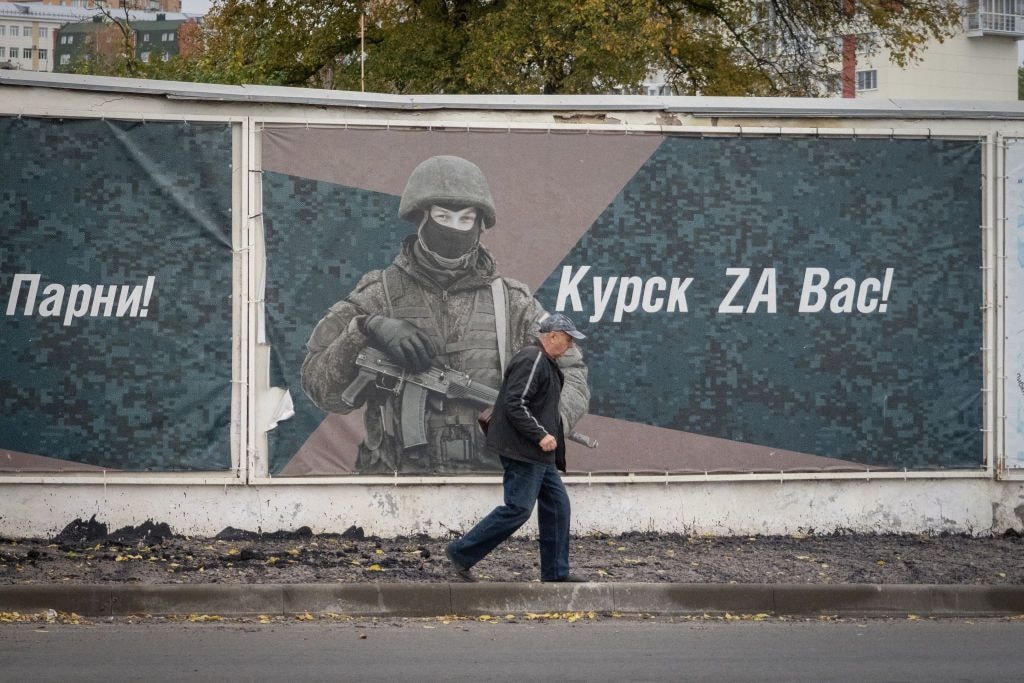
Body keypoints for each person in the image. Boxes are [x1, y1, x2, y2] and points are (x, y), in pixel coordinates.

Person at [300, 155, 589, 474]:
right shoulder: (378, 294)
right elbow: (321, 387)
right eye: (443, 216)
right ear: (421, 217)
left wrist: (548, 421)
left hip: (492, 479)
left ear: (480, 224)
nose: (454, 229)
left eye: (466, 219)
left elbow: (571, 374)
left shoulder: (512, 302)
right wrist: (364, 328)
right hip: (393, 482)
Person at [445, 313, 588, 583]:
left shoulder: (544, 361)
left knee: (558, 508)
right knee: (518, 509)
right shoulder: (533, 358)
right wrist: (540, 435)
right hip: (524, 451)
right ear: (553, 336)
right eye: (568, 340)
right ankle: (460, 553)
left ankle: (556, 574)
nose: (570, 346)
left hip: (539, 455)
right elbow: (515, 403)